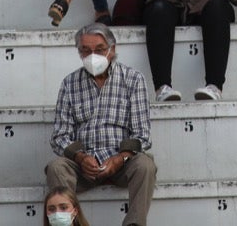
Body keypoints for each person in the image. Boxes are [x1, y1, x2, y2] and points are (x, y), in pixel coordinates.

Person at [45, 23, 156, 226]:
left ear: (112, 49)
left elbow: (142, 135)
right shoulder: (70, 83)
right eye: (85, 51)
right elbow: (59, 136)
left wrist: (119, 159)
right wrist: (80, 157)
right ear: (79, 53)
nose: (92, 56)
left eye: (99, 50)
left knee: (145, 165)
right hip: (84, 166)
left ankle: (134, 224)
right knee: (56, 167)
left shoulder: (133, 79)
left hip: (122, 163)